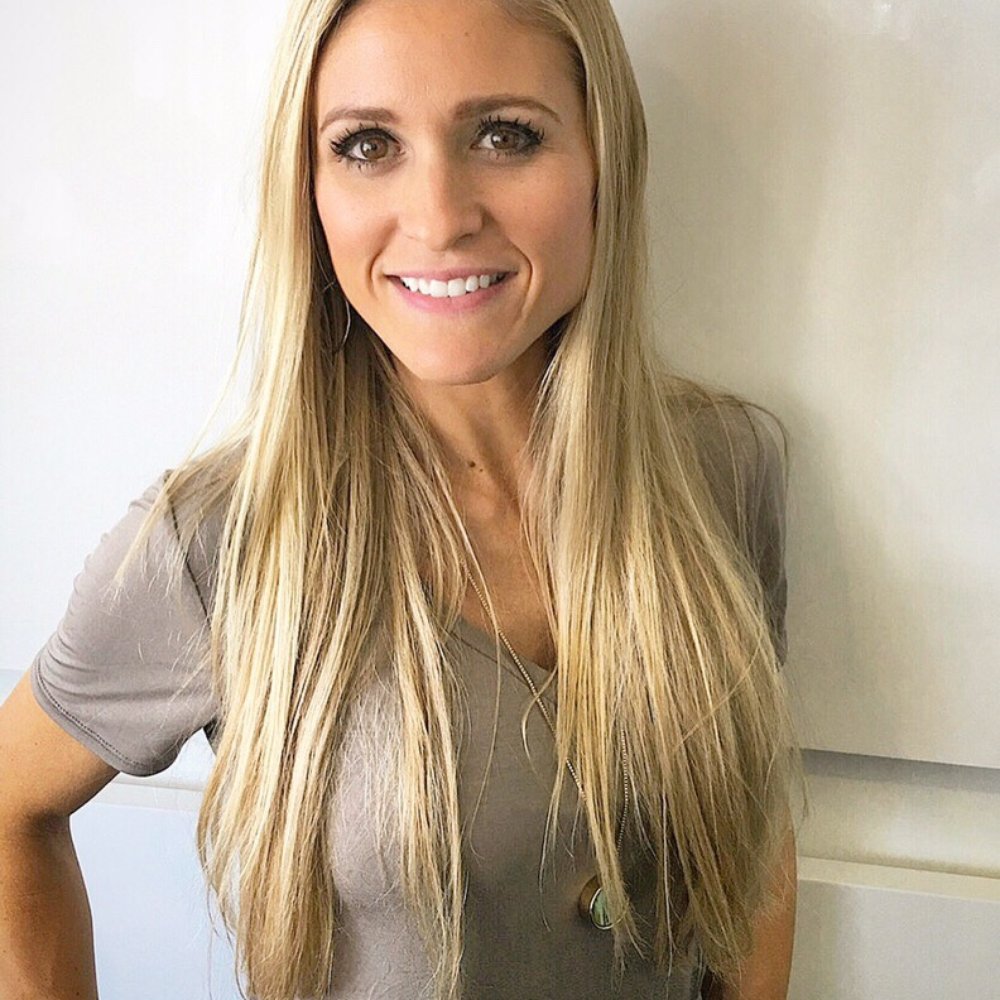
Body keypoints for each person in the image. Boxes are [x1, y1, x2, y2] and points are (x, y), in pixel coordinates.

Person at [0, 0, 806, 998]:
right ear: (308, 190)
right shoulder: (220, 542)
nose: (439, 216)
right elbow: (12, 807)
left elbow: (754, 833)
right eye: (368, 145)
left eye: (504, 135)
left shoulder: (724, 471)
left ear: (604, 157)